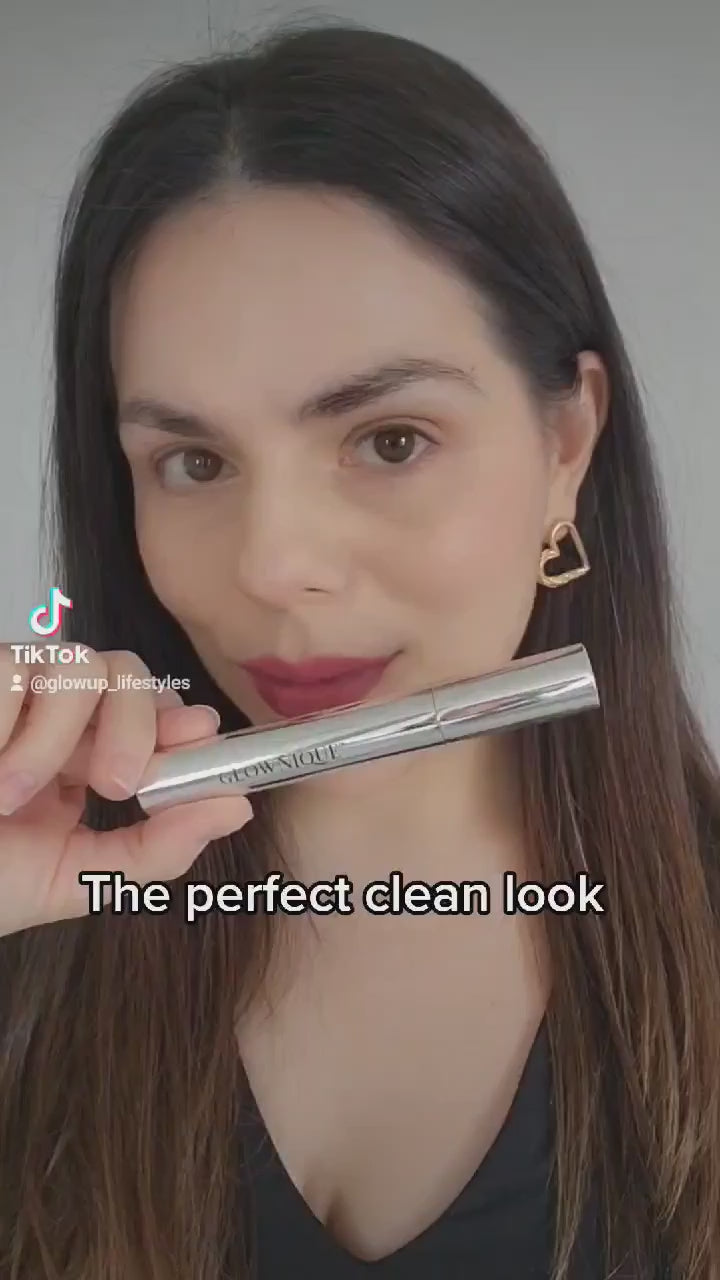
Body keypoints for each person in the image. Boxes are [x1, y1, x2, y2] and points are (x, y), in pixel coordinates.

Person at [0, 19, 718, 1280]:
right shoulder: (38, 920)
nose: (274, 564)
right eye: (194, 461)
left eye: (390, 440)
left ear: (566, 444)